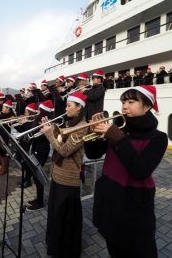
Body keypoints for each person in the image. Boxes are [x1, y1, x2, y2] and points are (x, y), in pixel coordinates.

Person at [85, 85, 168, 258]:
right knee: (114, 250)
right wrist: (93, 132)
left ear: (147, 106)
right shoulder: (119, 129)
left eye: (131, 101)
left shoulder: (158, 138)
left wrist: (116, 137)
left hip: (134, 210)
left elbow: (141, 170)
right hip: (109, 204)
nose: (124, 106)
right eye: (123, 101)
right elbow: (92, 154)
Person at [41, 91, 89, 258]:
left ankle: (67, 250)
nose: (66, 108)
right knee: (56, 215)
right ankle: (55, 246)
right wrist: (51, 128)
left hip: (69, 179)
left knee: (66, 217)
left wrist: (48, 134)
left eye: (69, 105)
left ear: (79, 108)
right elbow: (59, 138)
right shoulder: (68, 123)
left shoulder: (82, 127)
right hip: (57, 175)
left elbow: (63, 150)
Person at [26, 100, 54, 211]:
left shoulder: (45, 120)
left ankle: (40, 202)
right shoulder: (40, 118)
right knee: (35, 174)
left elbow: (41, 136)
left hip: (42, 149)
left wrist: (31, 135)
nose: (38, 111)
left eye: (40, 109)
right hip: (37, 148)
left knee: (38, 175)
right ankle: (38, 198)